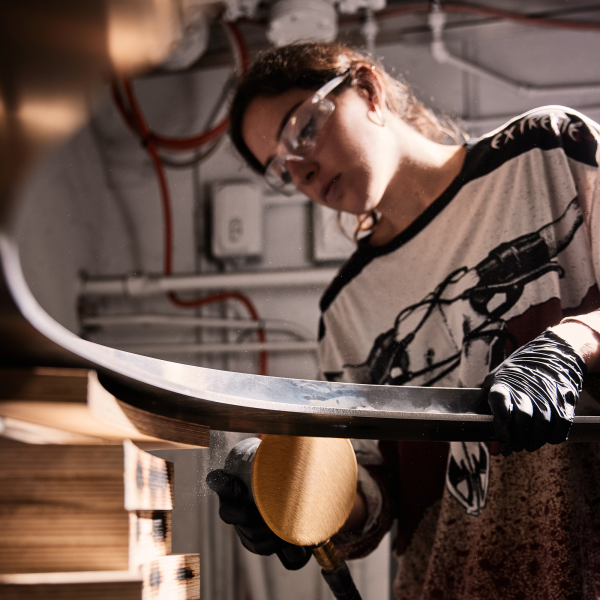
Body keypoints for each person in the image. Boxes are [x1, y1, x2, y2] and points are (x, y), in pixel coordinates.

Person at [207, 42, 600, 599]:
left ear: (367, 89)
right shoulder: (346, 308)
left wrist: (569, 345)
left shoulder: (544, 153)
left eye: (302, 130)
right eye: (279, 166)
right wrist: (293, 499)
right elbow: (372, 492)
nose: (300, 168)